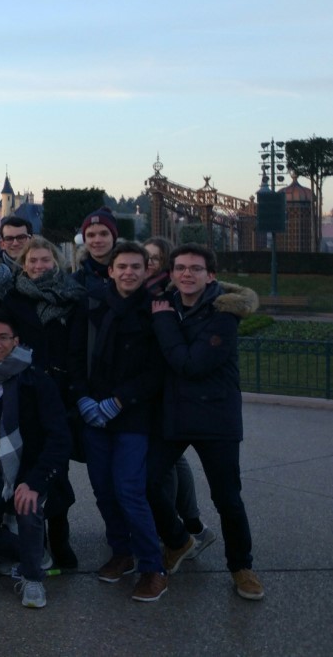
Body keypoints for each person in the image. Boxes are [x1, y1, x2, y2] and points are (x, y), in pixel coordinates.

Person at [148, 244, 264, 601]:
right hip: (175, 412)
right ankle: (178, 540)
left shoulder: (223, 314)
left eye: (195, 268)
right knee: (145, 480)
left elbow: (191, 365)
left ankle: (241, 566)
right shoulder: (166, 303)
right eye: (180, 268)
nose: (187, 274)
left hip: (215, 417)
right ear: (171, 273)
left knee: (227, 497)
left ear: (210, 276)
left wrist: (164, 322)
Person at [73, 242, 168, 602]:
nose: (128, 273)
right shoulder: (91, 304)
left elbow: (158, 369)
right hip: (93, 411)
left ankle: (153, 567)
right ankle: (121, 551)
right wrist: (82, 397)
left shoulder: (156, 310)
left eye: (135, 267)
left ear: (146, 271)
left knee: (129, 489)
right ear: (110, 271)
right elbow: (74, 354)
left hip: (133, 414)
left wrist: (119, 401)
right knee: (103, 488)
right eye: (122, 267)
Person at [0, 308, 71, 609]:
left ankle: (33, 577)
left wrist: (34, 482)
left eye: (3, 338)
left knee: (27, 506)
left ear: (16, 341)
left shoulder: (37, 380)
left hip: (34, 467)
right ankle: (30, 551)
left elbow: (60, 439)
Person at [3, 236, 87, 569]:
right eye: (32, 261)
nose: (39, 266)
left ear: (56, 262)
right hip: (27, 391)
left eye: (44, 260)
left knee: (58, 466)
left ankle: (60, 535)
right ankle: (35, 539)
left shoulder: (73, 297)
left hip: (61, 391)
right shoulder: (13, 298)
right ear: (23, 265)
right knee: (29, 464)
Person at [144, 236, 215, 554]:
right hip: (153, 385)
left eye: (155, 258)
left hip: (170, 386)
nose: (149, 264)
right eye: (145, 258)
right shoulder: (145, 292)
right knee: (166, 461)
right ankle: (187, 525)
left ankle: (183, 526)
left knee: (168, 464)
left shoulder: (171, 298)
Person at [72, 208, 119, 300]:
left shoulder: (130, 275)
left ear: (113, 237)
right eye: (91, 235)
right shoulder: (74, 282)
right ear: (85, 240)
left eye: (104, 234)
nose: (97, 240)